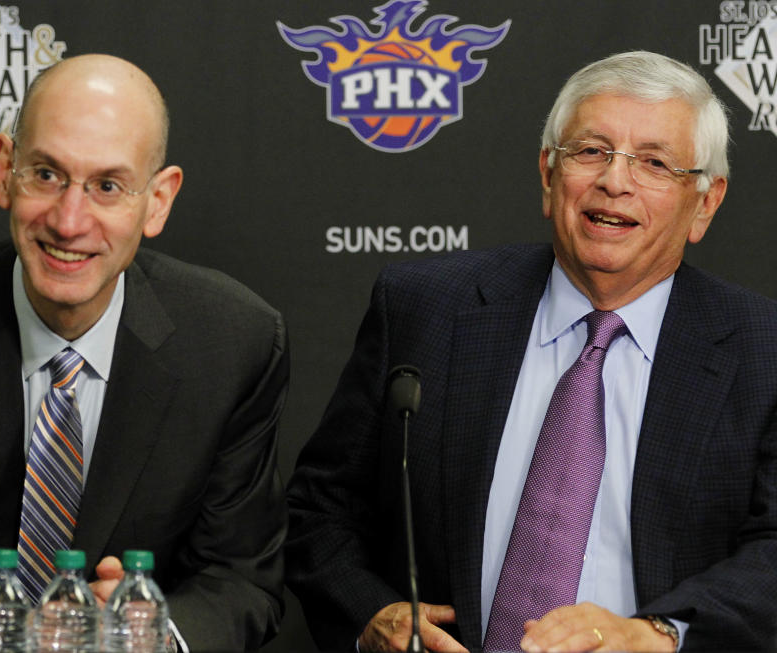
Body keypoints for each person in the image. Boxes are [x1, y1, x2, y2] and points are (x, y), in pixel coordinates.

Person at [286, 50, 777, 652]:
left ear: (705, 202)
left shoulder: (763, 350)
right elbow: (321, 509)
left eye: (654, 163)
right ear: (549, 175)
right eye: (591, 152)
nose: (614, 182)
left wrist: (657, 635)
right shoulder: (425, 308)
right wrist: (374, 614)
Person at [0, 54, 289, 652]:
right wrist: (27, 637)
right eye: (46, 174)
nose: (69, 221)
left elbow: (241, 579)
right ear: (4, 170)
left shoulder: (235, 343)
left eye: (107, 186)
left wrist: (148, 637)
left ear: (159, 200)